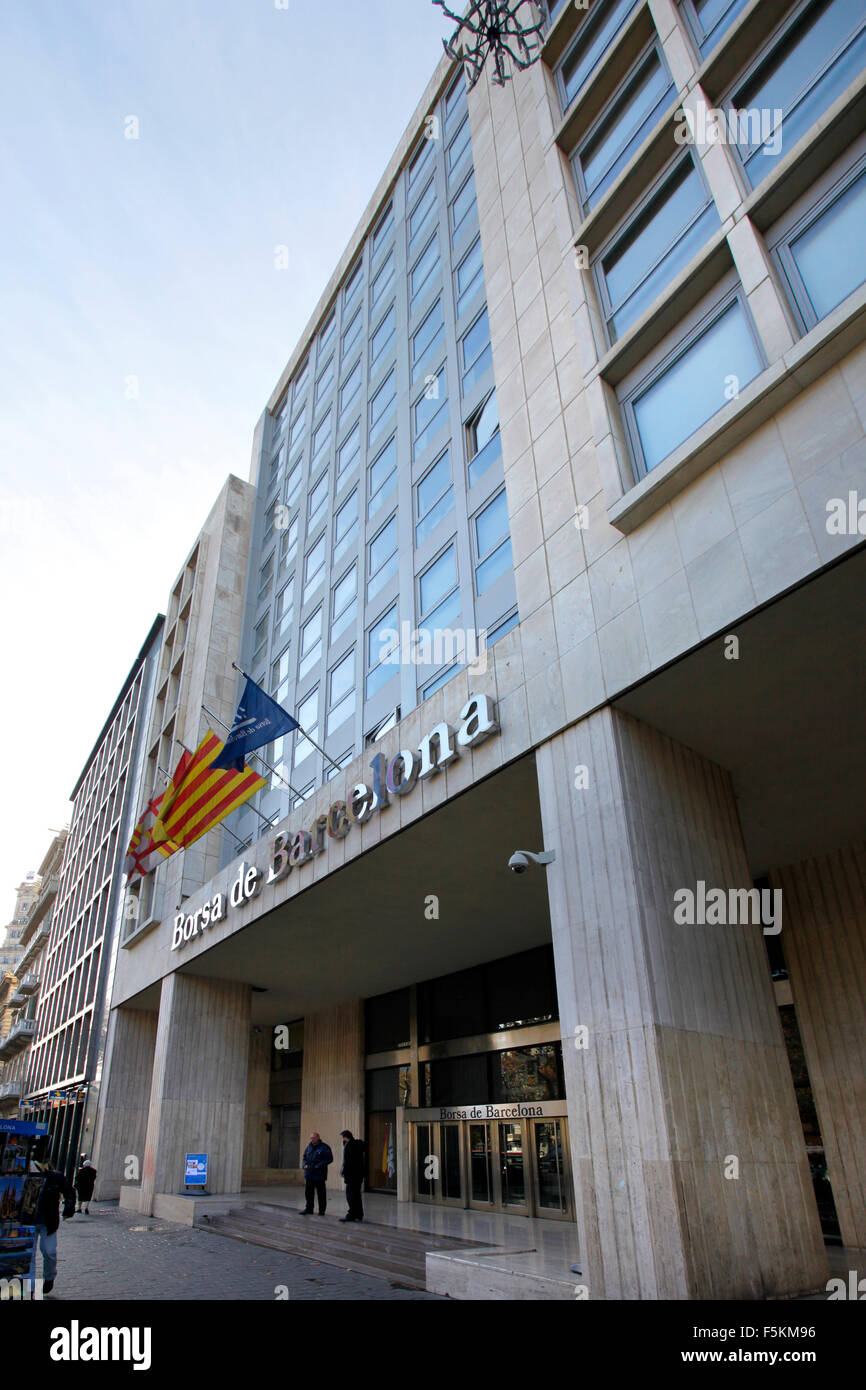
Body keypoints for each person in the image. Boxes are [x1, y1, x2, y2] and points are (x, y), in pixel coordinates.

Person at [29, 1139, 75, 1295]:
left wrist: (69, 1207)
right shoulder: (27, 1174)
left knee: (49, 1251)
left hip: (48, 1221)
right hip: (29, 1220)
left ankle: (49, 1277)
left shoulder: (55, 1177)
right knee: (30, 1253)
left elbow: (69, 1191)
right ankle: (32, 1286)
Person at [299, 1131, 333, 1215]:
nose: (312, 1139)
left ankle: (322, 1211)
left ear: (318, 1138)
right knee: (309, 1193)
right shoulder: (309, 1147)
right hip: (309, 1174)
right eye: (311, 1138)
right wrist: (304, 1165)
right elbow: (304, 1157)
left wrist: (319, 1165)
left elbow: (329, 1159)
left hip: (319, 1175)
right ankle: (309, 1209)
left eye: (313, 1138)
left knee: (321, 1194)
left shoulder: (324, 1147)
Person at [339, 1130, 366, 1223]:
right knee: (357, 1195)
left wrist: (344, 1173)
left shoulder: (349, 1146)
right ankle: (359, 1214)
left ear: (345, 1137)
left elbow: (347, 1162)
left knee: (351, 1195)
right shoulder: (358, 1144)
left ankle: (352, 1214)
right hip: (359, 1175)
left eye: (343, 1138)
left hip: (351, 1175)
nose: (342, 1140)